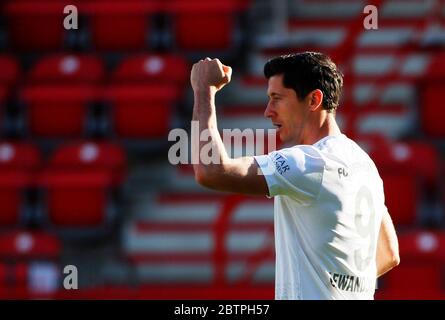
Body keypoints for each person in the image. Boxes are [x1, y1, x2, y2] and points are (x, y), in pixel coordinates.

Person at [190, 52, 400, 300]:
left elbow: (212, 171)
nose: (268, 111)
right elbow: (388, 253)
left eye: (276, 98)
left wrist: (204, 90)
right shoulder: (365, 164)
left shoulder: (308, 162)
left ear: (313, 100)